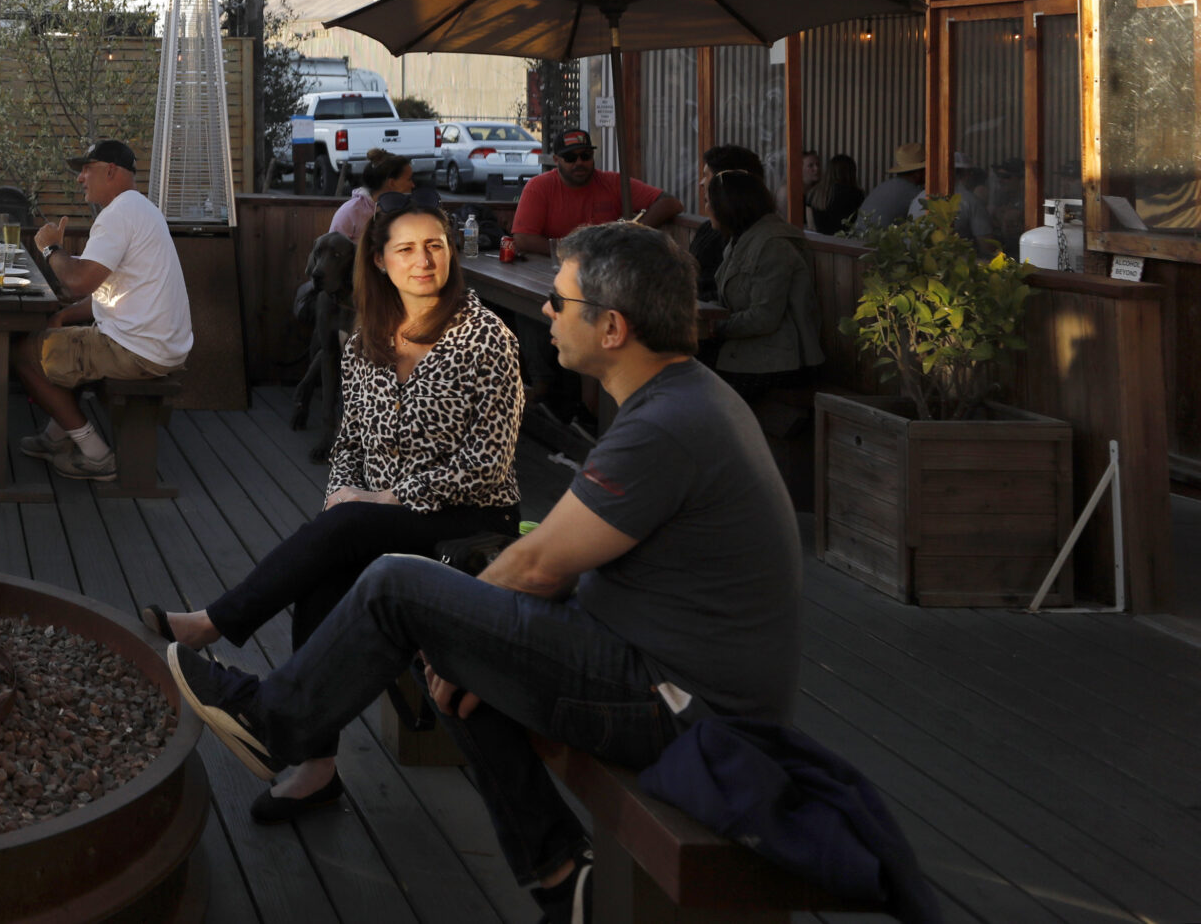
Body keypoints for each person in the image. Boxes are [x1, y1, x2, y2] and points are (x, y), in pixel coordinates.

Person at [165, 223, 801, 924]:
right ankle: (561, 875)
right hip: (660, 671)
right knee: (447, 643)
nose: (548, 314)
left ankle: (276, 719)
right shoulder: (679, 397)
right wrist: (462, 636)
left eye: (560, 302)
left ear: (613, 326)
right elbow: (559, 556)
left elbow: (533, 563)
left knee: (397, 584)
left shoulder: (665, 424)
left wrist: (460, 624)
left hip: (683, 708)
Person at [147, 186, 521, 822]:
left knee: (346, 529)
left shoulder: (485, 339)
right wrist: (341, 503)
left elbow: (488, 466)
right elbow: (348, 446)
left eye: (435, 246)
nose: (424, 260)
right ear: (378, 260)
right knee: (326, 561)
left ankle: (215, 623)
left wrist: (383, 498)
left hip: (469, 521)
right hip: (374, 518)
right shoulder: (367, 339)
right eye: (406, 248)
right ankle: (318, 768)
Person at [13, 139, 194, 482]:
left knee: (22, 353)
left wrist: (51, 247)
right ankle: (56, 436)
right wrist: (65, 316)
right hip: (159, 346)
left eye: (86, 169)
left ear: (110, 171)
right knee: (63, 337)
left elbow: (79, 282)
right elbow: (105, 292)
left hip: (137, 350)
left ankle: (96, 454)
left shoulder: (118, 216)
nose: (80, 178)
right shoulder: (141, 209)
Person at [706, 165, 824, 399]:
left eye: (709, 202)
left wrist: (713, 328)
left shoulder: (773, 245)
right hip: (751, 354)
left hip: (782, 363)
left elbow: (763, 318)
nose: (707, 208)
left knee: (696, 385)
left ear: (727, 207)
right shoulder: (741, 238)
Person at [508, 128, 683, 256]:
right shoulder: (539, 186)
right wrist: (574, 253)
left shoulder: (613, 182)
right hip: (553, 269)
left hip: (607, 269)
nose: (579, 162)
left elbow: (671, 203)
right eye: (570, 158)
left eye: (585, 156)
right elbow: (523, 238)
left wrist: (635, 231)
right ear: (556, 160)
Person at [685, 145, 766, 302]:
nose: (701, 183)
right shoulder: (707, 228)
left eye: (706, 176)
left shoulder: (756, 238)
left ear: (726, 181)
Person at [327, 150, 413, 245]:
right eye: (409, 179)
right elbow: (332, 250)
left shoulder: (407, 210)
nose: (413, 185)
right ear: (392, 183)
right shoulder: (350, 211)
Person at [853, 144, 927, 236]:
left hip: (859, 242)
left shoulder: (886, 186)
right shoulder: (914, 194)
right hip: (874, 246)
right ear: (918, 173)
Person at [806, 152, 865, 236]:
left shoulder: (814, 193)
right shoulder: (856, 194)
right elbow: (861, 224)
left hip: (821, 243)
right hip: (846, 244)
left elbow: (811, 227)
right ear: (851, 172)